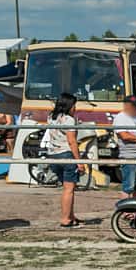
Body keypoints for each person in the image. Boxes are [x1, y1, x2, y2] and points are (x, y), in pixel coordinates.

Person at [40, 91, 88, 228]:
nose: (75, 108)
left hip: (53, 155)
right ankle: (65, 219)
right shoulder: (69, 120)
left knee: (66, 188)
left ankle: (70, 216)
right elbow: (72, 142)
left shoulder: (51, 117)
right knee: (69, 189)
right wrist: (79, 161)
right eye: (74, 105)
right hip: (66, 155)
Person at [113, 98, 136, 195]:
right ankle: (126, 209)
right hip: (129, 156)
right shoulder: (120, 117)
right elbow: (124, 136)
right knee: (129, 186)